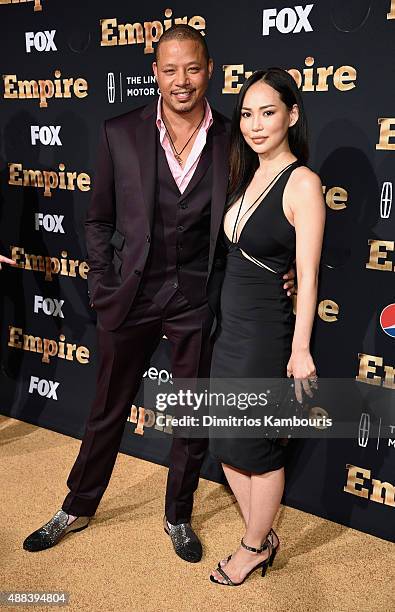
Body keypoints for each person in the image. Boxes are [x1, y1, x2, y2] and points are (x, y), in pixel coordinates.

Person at [22, 26, 296, 562]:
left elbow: (267, 210)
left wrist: (288, 272)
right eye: (169, 70)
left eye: (192, 68)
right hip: (130, 296)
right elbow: (97, 219)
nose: (181, 81)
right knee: (107, 409)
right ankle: (77, 506)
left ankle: (178, 514)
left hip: (197, 298)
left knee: (190, 416)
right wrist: (103, 284)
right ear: (154, 73)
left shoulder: (234, 140)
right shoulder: (119, 132)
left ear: (210, 70)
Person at [208, 68, 325, 585]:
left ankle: (254, 546)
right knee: (225, 442)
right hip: (229, 330)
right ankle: (261, 531)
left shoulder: (303, 182)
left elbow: (308, 275)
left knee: (256, 446)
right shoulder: (245, 171)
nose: (256, 125)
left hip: (265, 336)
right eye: (247, 114)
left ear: (292, 115)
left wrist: (300, 349)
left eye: (269, 112)